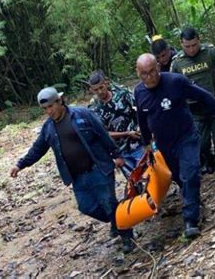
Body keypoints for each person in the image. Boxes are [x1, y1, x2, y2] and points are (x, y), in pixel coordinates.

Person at [9, 87, 135, 253]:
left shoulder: (82, 114)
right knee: (86, 207)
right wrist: (20, 164)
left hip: (98, 168)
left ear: (60, 101)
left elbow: (102, 134)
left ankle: (127, 237)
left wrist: (117, 154)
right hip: (76, 176)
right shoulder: (48, 128)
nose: (49, 111)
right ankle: (117, 219)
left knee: (108, 202)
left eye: (51, 106)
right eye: (45, 109)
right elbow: (37, 149)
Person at [134, 53, 215, 238]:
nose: (150, 77)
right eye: (144, 74)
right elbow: (142, 117)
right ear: (138, 74)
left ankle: (190, 220)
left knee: (190, 173)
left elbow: (205, 97)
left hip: (186, 136)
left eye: (153, 71)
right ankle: (193, 200)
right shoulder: (139, 92)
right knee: (180, 177)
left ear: (158, 67)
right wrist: (146, 142)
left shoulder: (175, 81)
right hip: (164, 144)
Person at [170, 27, 215, 184]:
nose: (191, 49)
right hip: (195, 112)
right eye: (187, 46)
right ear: (181, 44)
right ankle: (209, 161)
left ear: (199, 40)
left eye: (194, 45)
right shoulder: (177, 63)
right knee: (201, 144)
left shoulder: (211, 53)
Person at [88, 70, 144, 170]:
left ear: (106, 83)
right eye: (96, 90)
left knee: (149, 177)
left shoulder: (122, 94)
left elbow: (139, 109)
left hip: (139, 143)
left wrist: (141, 127)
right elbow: (102, 133)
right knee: (133, 182)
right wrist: (127, 133)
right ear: (91, 90)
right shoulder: (94, 109)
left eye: (101, 87)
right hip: (121, 151)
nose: (100, 92)